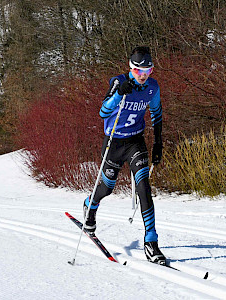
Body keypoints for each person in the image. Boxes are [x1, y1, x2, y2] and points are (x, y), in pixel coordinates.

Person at [83, 46, 166, 265]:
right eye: (138, 71)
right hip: (114, 142)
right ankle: (90, 205)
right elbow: (103, 112)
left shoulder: (152, 87)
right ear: (131, 68)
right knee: (107, 188)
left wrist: (158, 143)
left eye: (147, 72)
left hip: (135, 141)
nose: (142, 76)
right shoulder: (118, 82)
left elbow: (157, 115)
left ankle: (151, 242)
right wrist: (120, 93)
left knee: (144, 186)